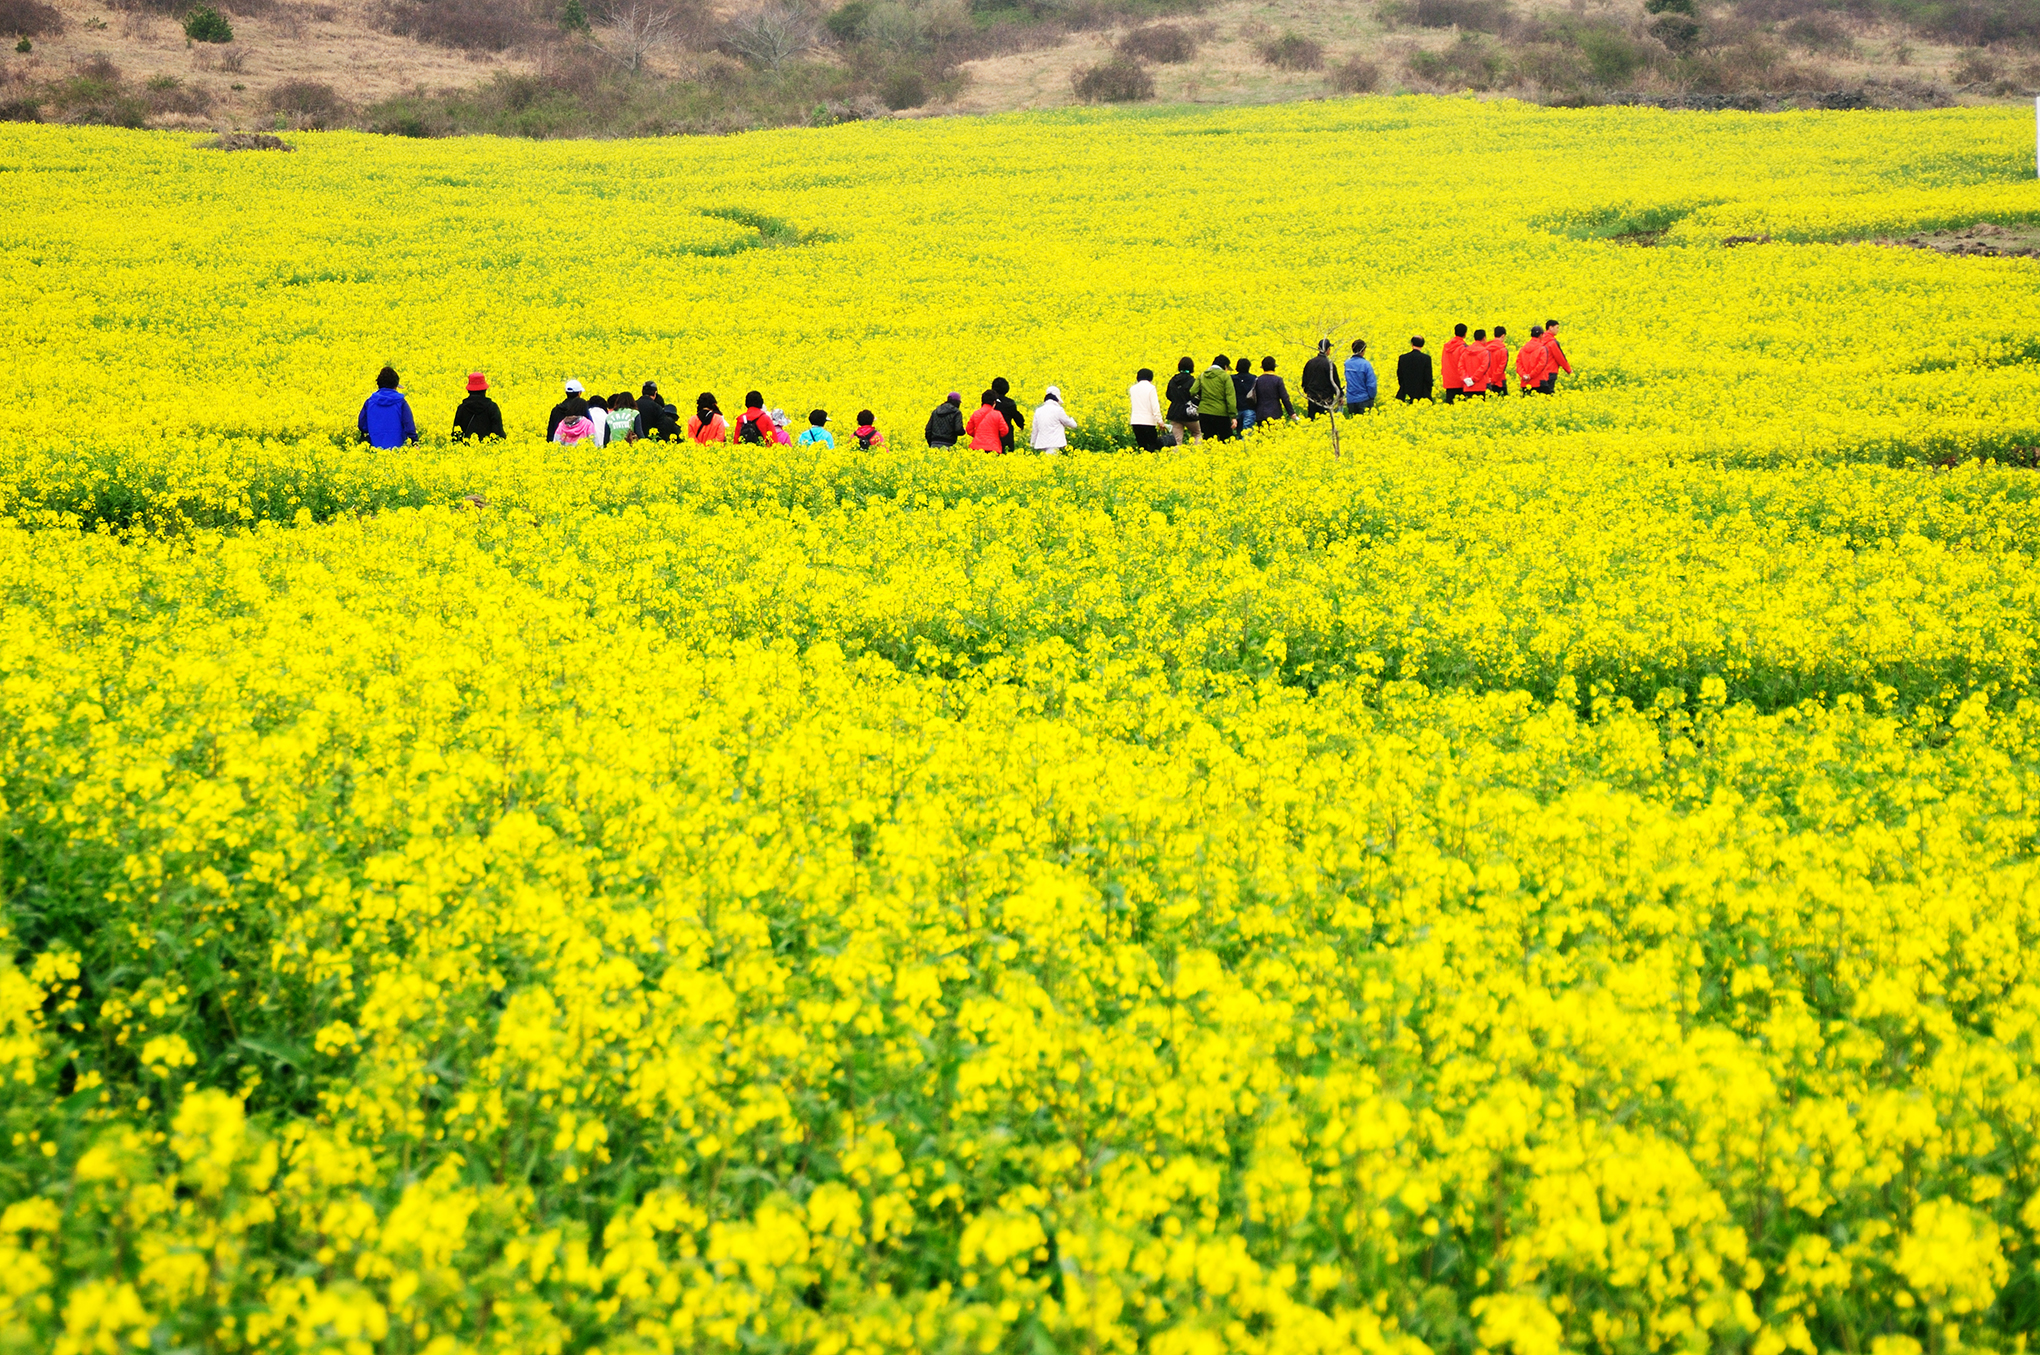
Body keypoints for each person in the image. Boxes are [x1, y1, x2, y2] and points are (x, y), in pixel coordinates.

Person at [358, 367, 418, 449]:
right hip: (398, 453)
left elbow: (362, 426)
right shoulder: (401, 403)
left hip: (374, 452)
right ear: (395, 386)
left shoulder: (369, 402)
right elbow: (409, 427)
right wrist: (415, 443)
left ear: (379, 385)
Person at [1192, 353, 1238, 442]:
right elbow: (1230, 398)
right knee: (1226, 441)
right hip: (1221, 414)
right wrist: (1233, 416)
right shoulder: (1225, 377)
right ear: (1225, 366)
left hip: (1204, 412)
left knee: (1208, 441)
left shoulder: (1202, 375)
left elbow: (1193, 391)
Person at [451, 372, 503, 441]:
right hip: (488, 449)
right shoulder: (492, 408)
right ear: (485, 390)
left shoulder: (462, 408)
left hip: (466, 449)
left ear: (468, 390)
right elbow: (499, 434)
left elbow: (456, 435)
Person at [1300, 339, 1341, 420]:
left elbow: (1304, 383)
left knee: (1312, 421)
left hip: (1312, 399)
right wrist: (1340, 396)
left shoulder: (1310, 363)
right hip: (1326, 400)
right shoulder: (1329, 364)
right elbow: (1335, 383)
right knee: (1325, 422)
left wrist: (1309, 393)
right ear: (1327, 350)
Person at [1031, 386, 1078, 453]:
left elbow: (1035, 430)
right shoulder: (1058, 410)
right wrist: (1073, 420)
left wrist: (1032, 444)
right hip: (1054, 444)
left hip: (1041, 444)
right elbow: (1071, 424)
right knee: (1052, 461)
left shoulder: (1038, 411)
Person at [1164, 357, 1199, 445]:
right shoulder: (1192, 381)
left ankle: (1176, 457)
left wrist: (1176, 401)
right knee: (1197, 433)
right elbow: (1197, 395)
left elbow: (1168, 395)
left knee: (1176, 440)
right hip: (1189, 413)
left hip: (1174, 413)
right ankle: (1197, 453)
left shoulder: (1173, 380)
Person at [1128, 368, 1164, 450]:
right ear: (1150, 378)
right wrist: (1160, 421)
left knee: (1142, 446)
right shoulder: (1151, 388)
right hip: (1148, 422)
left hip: (1135, 421)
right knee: (1153, 446)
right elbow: (1155, 406)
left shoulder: (1132, 389)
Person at [1253, 357, 1295, 426]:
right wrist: (1291, 413)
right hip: (1275, 414)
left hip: (1261, 414)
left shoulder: (1257, 380)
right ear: (1274, 367)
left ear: (1262, 368)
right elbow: (1284, 398)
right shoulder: (1278, 380)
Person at [989, 377, 1025, 454]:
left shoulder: (989, 401)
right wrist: (1021, 425)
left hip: (990, 436)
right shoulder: (1009, 403)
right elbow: (1016, 416)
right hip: (1006, 436)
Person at [1343, 341, 1376, 415]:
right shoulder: (1366, 364)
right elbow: (1371, 385)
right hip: (1364, 399)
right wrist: (1371, 397)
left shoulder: (1347, 364)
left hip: (1351, 400)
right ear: (1363, 350)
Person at [1396, 337, 1433, 402]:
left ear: (1412, 344)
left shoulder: (1403, 358)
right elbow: (1428, 377)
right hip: (1422, 394)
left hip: (1405, 393)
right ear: (1422, 345)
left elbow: (1400, 375)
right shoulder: (1426, 358)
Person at [1540, 319, 1572, 393]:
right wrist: (1568, 370)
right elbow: (1560, 358)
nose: (1558, 330)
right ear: (1550, 328)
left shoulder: (1540, 340)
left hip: (1540, 372)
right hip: (1551, 371)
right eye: (1557, 327)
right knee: (1549, 393)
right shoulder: (1552, 343)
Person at [1517, 326, 1550, 394]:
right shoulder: (1542, 349)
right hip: (1540, 383)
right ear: (1541, 335)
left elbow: (1518, 364)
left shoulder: (1522, 349)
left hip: (1525, 383)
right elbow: (1541, 365)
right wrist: (1531, 375)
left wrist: (1524, 375)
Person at [1440, 325, 1468, 404]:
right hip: (1460, 382)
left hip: (1448, 381)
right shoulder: (1463, 347)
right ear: (1465, 334)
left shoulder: (1446, 347)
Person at [1460, 329, 1490, 399]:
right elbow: (1484, 368)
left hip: (1467, 386)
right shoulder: (1484, 352)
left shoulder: (1465, 351)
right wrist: (1473, 379)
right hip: (1481, 386)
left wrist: (1466, 378)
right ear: (1484, 338)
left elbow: (1461, 366)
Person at [1232, 357, 1259, 432]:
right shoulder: (1254, 378)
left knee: (1239, 432)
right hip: (1249, 408)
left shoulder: (1232, 379)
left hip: (1236, 408)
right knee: (1247, 433)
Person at [1485, 327, 1511, 397]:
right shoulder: (1503, 350)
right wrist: (1494, 379)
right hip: (1499, 382)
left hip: (1487, 381)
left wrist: (1490, 379)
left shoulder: (1486, 349)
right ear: (1503, 336)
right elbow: (1501, 367)